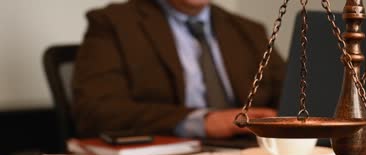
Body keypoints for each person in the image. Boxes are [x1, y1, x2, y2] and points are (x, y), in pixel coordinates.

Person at [72, 0, 285, 139]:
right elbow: (95, 111)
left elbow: (292, 97)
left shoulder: (249, 30)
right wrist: (202, 121)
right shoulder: (114, 23)